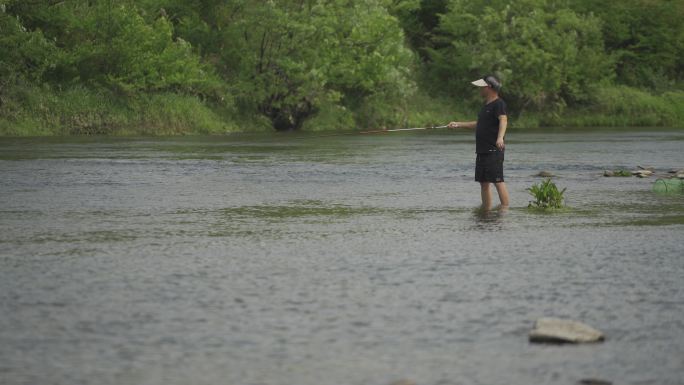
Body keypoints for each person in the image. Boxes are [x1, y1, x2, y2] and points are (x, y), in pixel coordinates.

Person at [448, 75, 510, 211]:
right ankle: (486, 210)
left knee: (498, 181)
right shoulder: (486, 106)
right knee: (484, 183)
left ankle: (505, 211)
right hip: (482, 150)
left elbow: (503, 120)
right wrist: (458, 124)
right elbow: (478, 124)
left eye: (481, 87)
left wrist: (500, 138)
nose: (479, 89)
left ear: (489, 87)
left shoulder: (499, 103)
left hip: (494, 150)